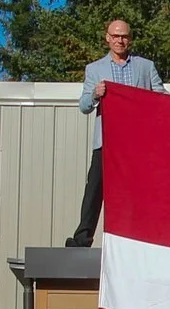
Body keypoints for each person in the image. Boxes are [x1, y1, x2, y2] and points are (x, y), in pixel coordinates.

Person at [67, 16, 164, 245]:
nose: (120, 40)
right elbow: (83, 106)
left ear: (130, 39)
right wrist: (95, 95)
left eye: (124, 36)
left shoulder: (145, 66)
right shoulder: (94, 69)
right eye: (116, 36)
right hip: (107, 141)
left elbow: (160, 96)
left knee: (139, 192)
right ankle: (82, 238)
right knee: (94, 190)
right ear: (108, 39)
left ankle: (141, 240)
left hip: (137, 142)